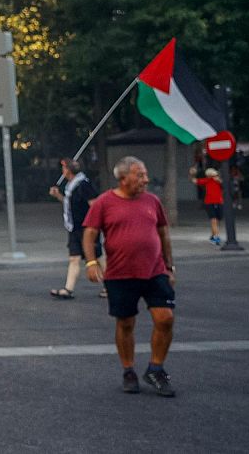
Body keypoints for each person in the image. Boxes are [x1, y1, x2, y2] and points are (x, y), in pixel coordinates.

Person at [82, 156, 177, 397]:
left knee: (165, 318)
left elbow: (163, 233)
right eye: (140, 175)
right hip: (120, 273)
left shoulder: (152, 201)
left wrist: (169, 266)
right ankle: (128, 370)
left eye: (145, 174)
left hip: (155, 271)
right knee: (125, 323)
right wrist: (91, 262)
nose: (146, 179)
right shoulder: (104, 202)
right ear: (123, 178)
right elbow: (90, 234)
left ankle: (156, 369)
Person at [47, 158, 100, 299]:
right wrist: (58, 196)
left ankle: (110, 287)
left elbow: (95, 206)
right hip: (74, 227)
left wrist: (95, 225)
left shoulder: (84, 185)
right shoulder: (71, 186)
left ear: (68, 171)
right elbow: (69, 204)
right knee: (74, 258)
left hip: (86, 228)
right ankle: (68, 289)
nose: (62, 171)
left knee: (98, 258)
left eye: (64, 168)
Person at [190, 166, 224, 245]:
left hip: (218, 202)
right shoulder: (207, 180)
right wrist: (192, 174)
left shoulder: (218, 181)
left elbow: (224, 184)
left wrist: (219, 180)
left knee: (217, 221)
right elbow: (195, 181)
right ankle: (216, 237)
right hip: (209, 202)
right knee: (213, 220)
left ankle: (213, 236)